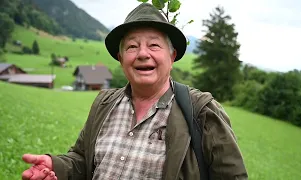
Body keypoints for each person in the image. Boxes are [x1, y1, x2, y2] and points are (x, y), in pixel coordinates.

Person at [22, 3, 248, 180]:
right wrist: (57, 167)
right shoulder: (104, 103)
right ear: (121, 59)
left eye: (154, 45)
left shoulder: (202, 111)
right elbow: (82, 160)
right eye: (132, 46)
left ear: (172, 56)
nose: (142, 54)